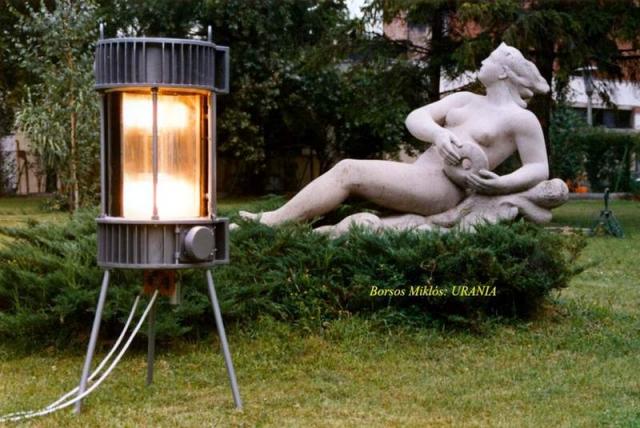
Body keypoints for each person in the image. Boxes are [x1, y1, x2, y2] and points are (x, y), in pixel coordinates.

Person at [241, 43, 551, 226]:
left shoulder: (520, 119)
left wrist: (502, 184)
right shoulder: (466, 99)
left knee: (349, 170)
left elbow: (539, 168)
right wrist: (438, 135)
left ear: (502, 72)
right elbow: (416, 117)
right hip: (420, 175)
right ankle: (286, 220)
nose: (481, 62)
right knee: (351, 174)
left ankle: (274, 222)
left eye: (489, 60)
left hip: (442, 189)